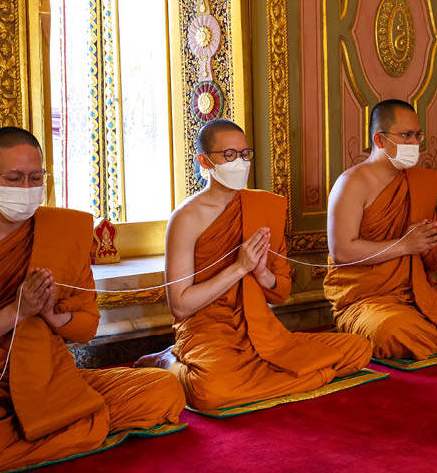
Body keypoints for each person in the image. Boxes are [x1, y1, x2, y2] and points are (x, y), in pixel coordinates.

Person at [0, 127, 184, 473]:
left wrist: (55, 317)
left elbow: (87, 328)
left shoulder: (63, 231)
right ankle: (72, 428)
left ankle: (48, 428)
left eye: (36, 177)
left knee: (164, 390)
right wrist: (16, 312)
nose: (27, 189)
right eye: (14, 178)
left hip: (50, 375)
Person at [135, 119, 371, 410]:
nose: (241, 163)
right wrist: (239, 267)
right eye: (230, 155)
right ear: (205, 161)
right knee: (212, 392)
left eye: (245, 154)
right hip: (208, 332)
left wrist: (261, 273)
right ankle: (170, 361)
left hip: (262, 330)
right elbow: (181, 306)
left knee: (358, 349)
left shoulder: (263, 207)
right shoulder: (186, 218)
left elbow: (282, 292)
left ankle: (279, 373)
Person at [323, 100, 437, 360]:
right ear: (380, 140)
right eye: (406, 136)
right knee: (394, 331)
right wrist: (406, 245)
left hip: (417, 292)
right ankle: (435, 331)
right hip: (367, 299)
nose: (414, 143)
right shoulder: (351, 183)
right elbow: (341, 250)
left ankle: (434, 332)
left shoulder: (419, 181)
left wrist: (430, 241)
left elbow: (423, 254)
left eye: (417, 135)